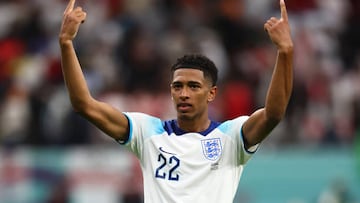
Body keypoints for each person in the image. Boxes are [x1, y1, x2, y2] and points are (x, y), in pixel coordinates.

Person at [59, 0, 293, 202]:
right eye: (177, 86)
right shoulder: (147, 133)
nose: (184, 93)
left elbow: (273, 113)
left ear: (211, 93)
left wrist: (285, 52)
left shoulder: (231, 138)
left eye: (193, 86)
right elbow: (84, 104)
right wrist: (67, 44)